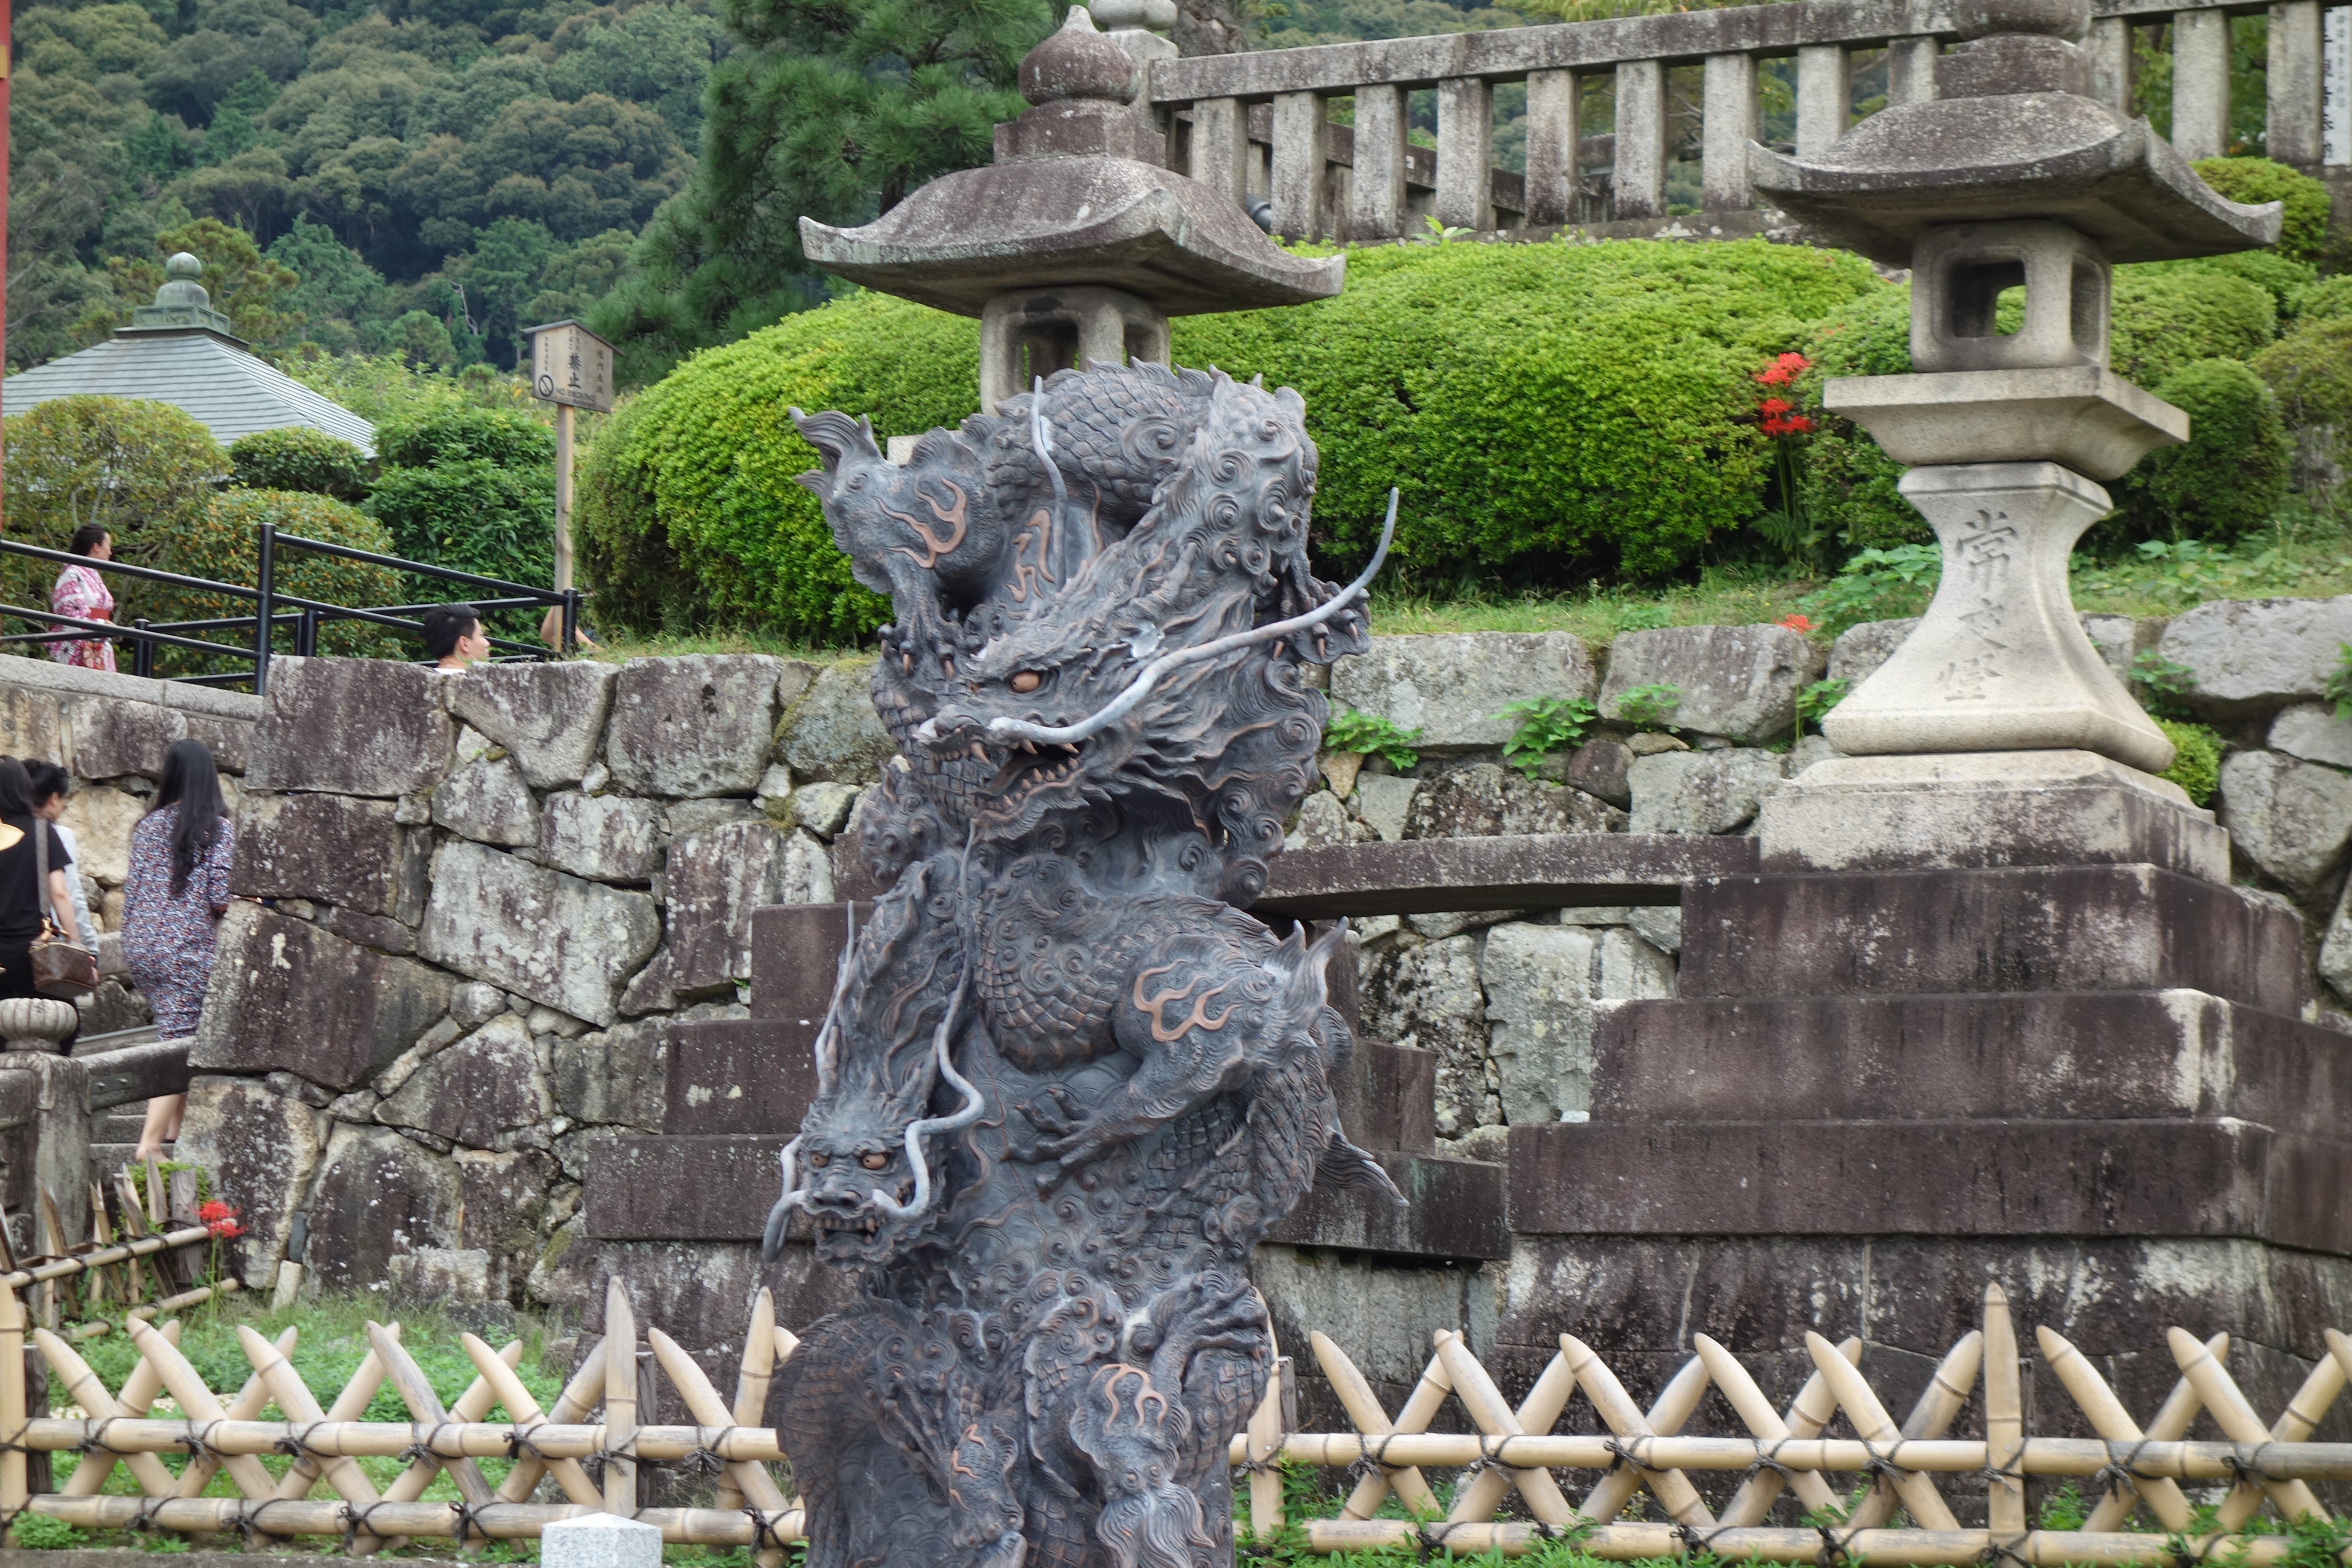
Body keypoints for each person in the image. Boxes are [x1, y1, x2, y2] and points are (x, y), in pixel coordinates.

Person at [122, 739, 235, 1161]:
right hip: (185, 948)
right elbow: (219, 896)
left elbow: (133, 891)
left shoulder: (148, 825)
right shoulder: (217, 828)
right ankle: (150, 1143)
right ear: (210, 777)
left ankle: (175, 1133)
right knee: (178, 1037)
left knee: (174, 1030)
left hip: (140, 945)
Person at [0, 759, 78, 1011]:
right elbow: (60, 893)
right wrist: (78, 947)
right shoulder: (41, 830)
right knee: (64, 1022)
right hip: (36, 952)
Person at [25, 761, 100, 951]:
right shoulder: (55, 834)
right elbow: (66, 893)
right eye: (63, 798)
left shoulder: (7, 832)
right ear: (54, 798)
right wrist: (87, 947)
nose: (64, 805)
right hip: (48, 946)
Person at [50, 524, 116, 672]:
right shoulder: (72, 573)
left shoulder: (91, 573)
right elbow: (72, 615)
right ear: (96, 547)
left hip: (99, 642)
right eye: (109, 546)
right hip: (79, 647)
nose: (110, 552)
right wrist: (104, 624)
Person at [424, 603, 491, 672]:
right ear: (465, 644)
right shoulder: (479, 682)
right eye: (481, 635)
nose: (487, 643)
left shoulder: (423, 679)